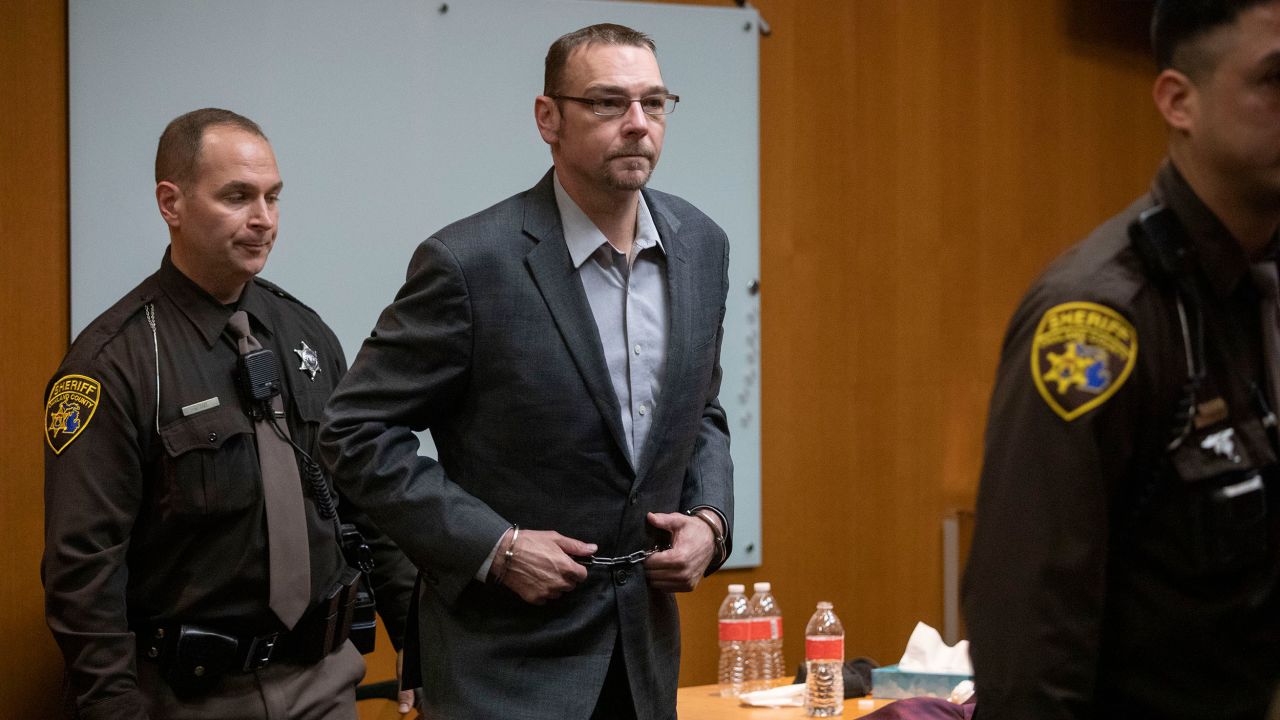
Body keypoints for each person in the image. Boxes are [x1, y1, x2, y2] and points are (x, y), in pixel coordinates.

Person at [320, 23, 734, 720]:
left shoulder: (702, 246)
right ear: (549, 118)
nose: (638, 125)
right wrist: (496, 546)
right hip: (502, 670)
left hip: (644, 659)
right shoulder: (469, 264)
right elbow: (354, 432)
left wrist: (712, 522)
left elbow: (702, 413)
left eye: (654, 103)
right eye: (608, 103)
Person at [42, 108, 416, 720]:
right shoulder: (114, 364)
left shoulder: (305, 335)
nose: (263, 219)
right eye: (237, 196)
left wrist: (414, 642)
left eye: (272, 197)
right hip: (189, 696)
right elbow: (83, 569)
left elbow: (365, 500)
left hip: (321, 680)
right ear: (172, 202)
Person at [963, 2, 1280, 718]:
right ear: (1178, 101)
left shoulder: (1260, 284)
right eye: (1275, 78)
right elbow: (1029, 639)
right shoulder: (1100, 318)